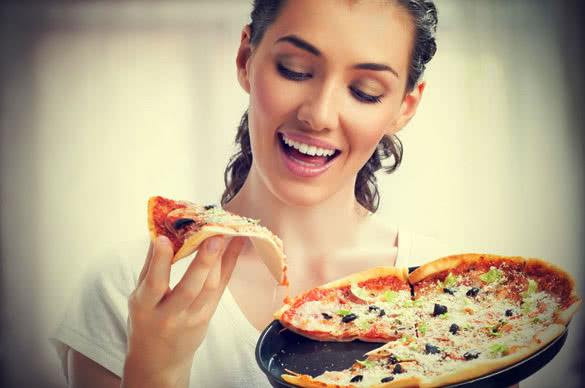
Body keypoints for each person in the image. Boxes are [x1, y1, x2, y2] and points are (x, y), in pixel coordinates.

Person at [50, 0, 485, 387]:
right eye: (294, 69)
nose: (318, 114)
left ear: (404, 107)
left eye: (365, 91)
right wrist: (156, 372)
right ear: (245, 58)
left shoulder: (460, 294)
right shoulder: (129, 287)